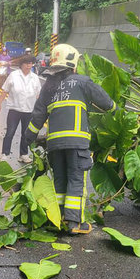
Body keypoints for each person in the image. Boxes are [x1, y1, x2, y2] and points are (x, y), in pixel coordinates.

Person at [22, 44, 115, 234]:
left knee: (60, 181)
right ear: (73, 64)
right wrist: (117, 112)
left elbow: (37, 116)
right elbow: (106, 102)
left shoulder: (48, 87)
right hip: (77, 142)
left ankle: (58, 220)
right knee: (75, 179)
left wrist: (28, 138)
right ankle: (74, 223)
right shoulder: (82, 82)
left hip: (55, 144)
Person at [0, 54, 42, 163]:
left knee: (25, 134)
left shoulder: (35, 78)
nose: (29, 65)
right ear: (21, 65)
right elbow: (5, 90)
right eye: (27, 63)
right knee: (10, 132)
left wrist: (40, 108)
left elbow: (38, 94)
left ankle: (23, 154)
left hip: (29, 110)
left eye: (31, 63)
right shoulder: (13, 75)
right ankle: (5, 154)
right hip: (14, 110)